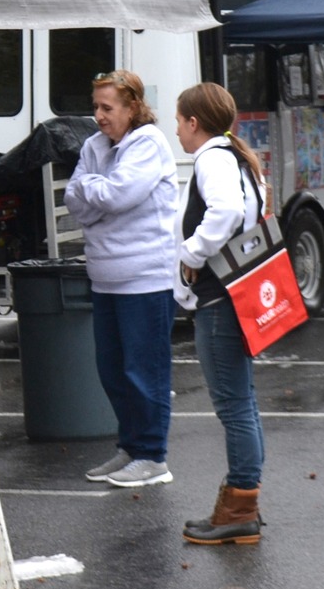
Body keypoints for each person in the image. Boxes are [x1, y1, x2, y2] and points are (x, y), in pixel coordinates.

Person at [64, 70, 181, 489]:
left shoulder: (148, 143)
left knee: (143, 370)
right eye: (95, 106)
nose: (98, 115)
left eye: (107, 107)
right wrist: (101, 194)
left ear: (132, 107)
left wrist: (96, 193)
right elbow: (74, 201)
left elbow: (115, 195)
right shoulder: (96, 146)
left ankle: (153, 455)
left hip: (145, 278)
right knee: (112, 369)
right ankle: (131, 447)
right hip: (105, 276)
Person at [170, 81, 269, 545]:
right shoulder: (235, 155)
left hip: (221, 299)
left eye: (179, 120)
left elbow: (226, 212)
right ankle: (241, 502)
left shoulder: (212, 157)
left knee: (233, 406)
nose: (177, 130)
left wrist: (191, 254)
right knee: (241, 403)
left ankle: (239, 509)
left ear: (194, 122)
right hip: (239, 292)